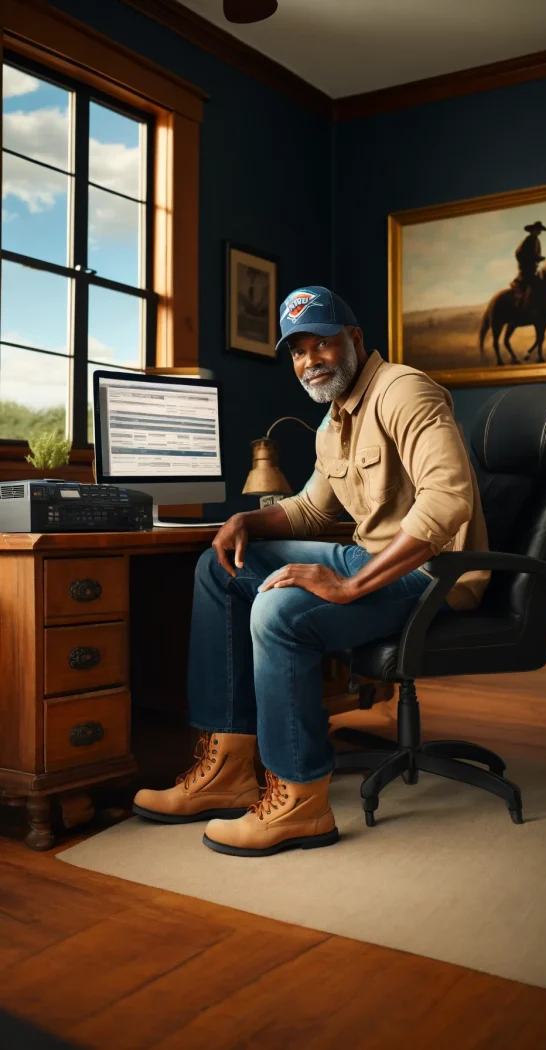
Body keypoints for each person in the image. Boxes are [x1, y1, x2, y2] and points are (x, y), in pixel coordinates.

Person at [133, 286, 489, 858]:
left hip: (436, 575)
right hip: (373, 559)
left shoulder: (404, 391)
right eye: (297, 350)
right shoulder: (333, 423)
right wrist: (248, 521)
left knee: (279, 611)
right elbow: (313, 509)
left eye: (322, 342)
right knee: (221, 566)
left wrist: (348, 585)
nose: (309, 360)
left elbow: (447, 503)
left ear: (355, 339)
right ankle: (228, 769)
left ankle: (300, 800)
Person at [511, 221, 546, 303]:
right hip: (526, 268)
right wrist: (534, 259)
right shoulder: (528, 240)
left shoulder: (537, 241)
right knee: (532, 285)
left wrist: (538, 258)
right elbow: (519, 253)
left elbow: (536, 254)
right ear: (532, 230)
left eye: (540, 230)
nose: (539, 232)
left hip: (533, 268)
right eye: (537, 229)